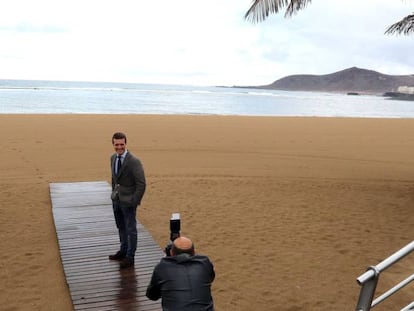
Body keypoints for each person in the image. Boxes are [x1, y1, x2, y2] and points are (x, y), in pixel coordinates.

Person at [146, 236, 215, 311]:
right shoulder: (204, 262)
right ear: (194, 252)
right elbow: (211, 278)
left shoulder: (162, 267)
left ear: (171, 252)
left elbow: (152, 295)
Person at [109, 132, 146, 269]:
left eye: (121, 144)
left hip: (129, 201)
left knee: (131, 229)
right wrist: (114, 193)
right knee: (120, 226)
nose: (119, 147)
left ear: (126, 144)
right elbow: (114, 178)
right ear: (113, 144)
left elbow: (141, 183)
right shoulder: (113, 158)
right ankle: (123, 250)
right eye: (116, 144)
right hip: (117, 200)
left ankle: (130, 257)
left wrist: (134, 201)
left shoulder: (134, 161)